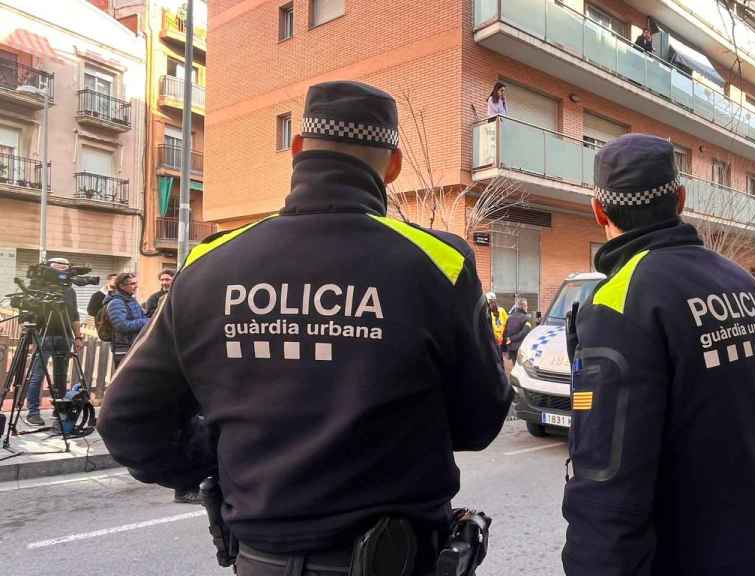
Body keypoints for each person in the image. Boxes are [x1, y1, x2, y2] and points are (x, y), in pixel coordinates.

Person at [97, 81, 511, 576]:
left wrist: (221, 456)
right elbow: (480, 420)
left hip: (260, 560)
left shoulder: (210, 263)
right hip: (398, 557)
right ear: (394, 164)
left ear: (297, 151)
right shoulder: (438, 263)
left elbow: (127, 419)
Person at [561, 134, 755, 575]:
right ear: (680, 198)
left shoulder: (617, 304)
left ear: (598, 210)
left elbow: (607, 484)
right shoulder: (752, 290)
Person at [24, 257, 84, 428]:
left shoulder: (69, 290)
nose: (61, 270)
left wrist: (78, 337)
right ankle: (33, 413)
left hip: (64, 337)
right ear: (48, 268)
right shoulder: (37, 286)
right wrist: (30, 339)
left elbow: (74, 316)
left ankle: (59, 410)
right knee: (37, 376)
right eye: (57, 266)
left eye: (65, 267)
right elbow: (28, 314)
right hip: (42, 336)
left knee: (60, 376)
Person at [103, 272, 148, 369]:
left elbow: (139, 317)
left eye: (136, 283)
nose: (136, 286)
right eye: (132, 284)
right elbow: (121, 325)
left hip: (133, 347)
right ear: (121, 286)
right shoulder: (116, 302)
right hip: (123, 350)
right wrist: (146, 321)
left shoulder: (131, 299)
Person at [502, 298, 532, 372]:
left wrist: (507, 341)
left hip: (511, 347)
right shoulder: (526, 318)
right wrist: (511, 339)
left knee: (514, 366)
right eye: (527, 306)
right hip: (520, 348)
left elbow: (505, 332)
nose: (527, 307)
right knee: (522, 369)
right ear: (523, 306)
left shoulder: (510, 317)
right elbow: (524, 333)